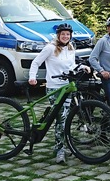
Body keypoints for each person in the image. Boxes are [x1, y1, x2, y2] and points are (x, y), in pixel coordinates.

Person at [27, 23, 78, 164]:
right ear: (58, 35)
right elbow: (36, 62)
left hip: (66, 87)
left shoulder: (70, 47)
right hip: (54, 88)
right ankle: (60, 150)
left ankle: (59, 146)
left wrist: (83, 67)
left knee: (64, 118)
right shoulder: (50, 48)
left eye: (68, 34)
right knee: (61, 118)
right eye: (63, 34)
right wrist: (32, 77)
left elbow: (71, 66)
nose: (65, 36)